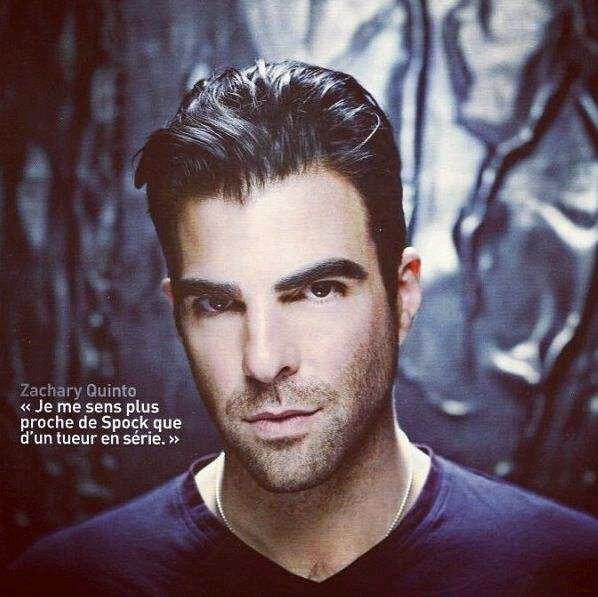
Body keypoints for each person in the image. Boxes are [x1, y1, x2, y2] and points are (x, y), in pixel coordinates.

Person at [9, 60, 597, 595]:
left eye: (318, 291)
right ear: (178, 317)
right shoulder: (66, 583)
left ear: (403, 295)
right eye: (216, 304)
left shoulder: (567, 572)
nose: (263, 361)